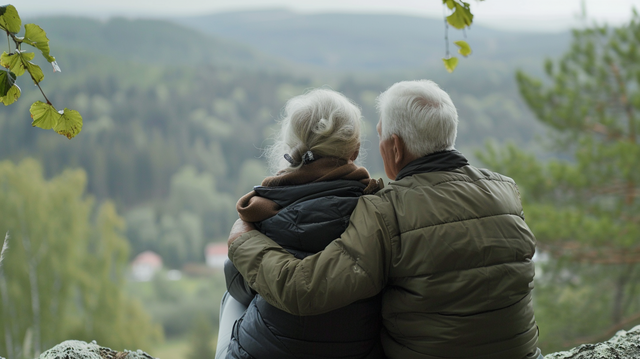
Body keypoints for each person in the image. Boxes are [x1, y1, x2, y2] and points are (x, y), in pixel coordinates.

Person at [227, 80, 542, 359]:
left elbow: (305, 289)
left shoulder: (386, 211)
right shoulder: (506, 190)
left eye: (380, 136)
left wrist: (243, 240)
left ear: (395, 148)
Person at [216, 88, 385, 359]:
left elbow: (240, 284)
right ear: (354, 151)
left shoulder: (263, 214)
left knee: (232, 298)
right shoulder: (376, 213)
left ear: (290, 147)